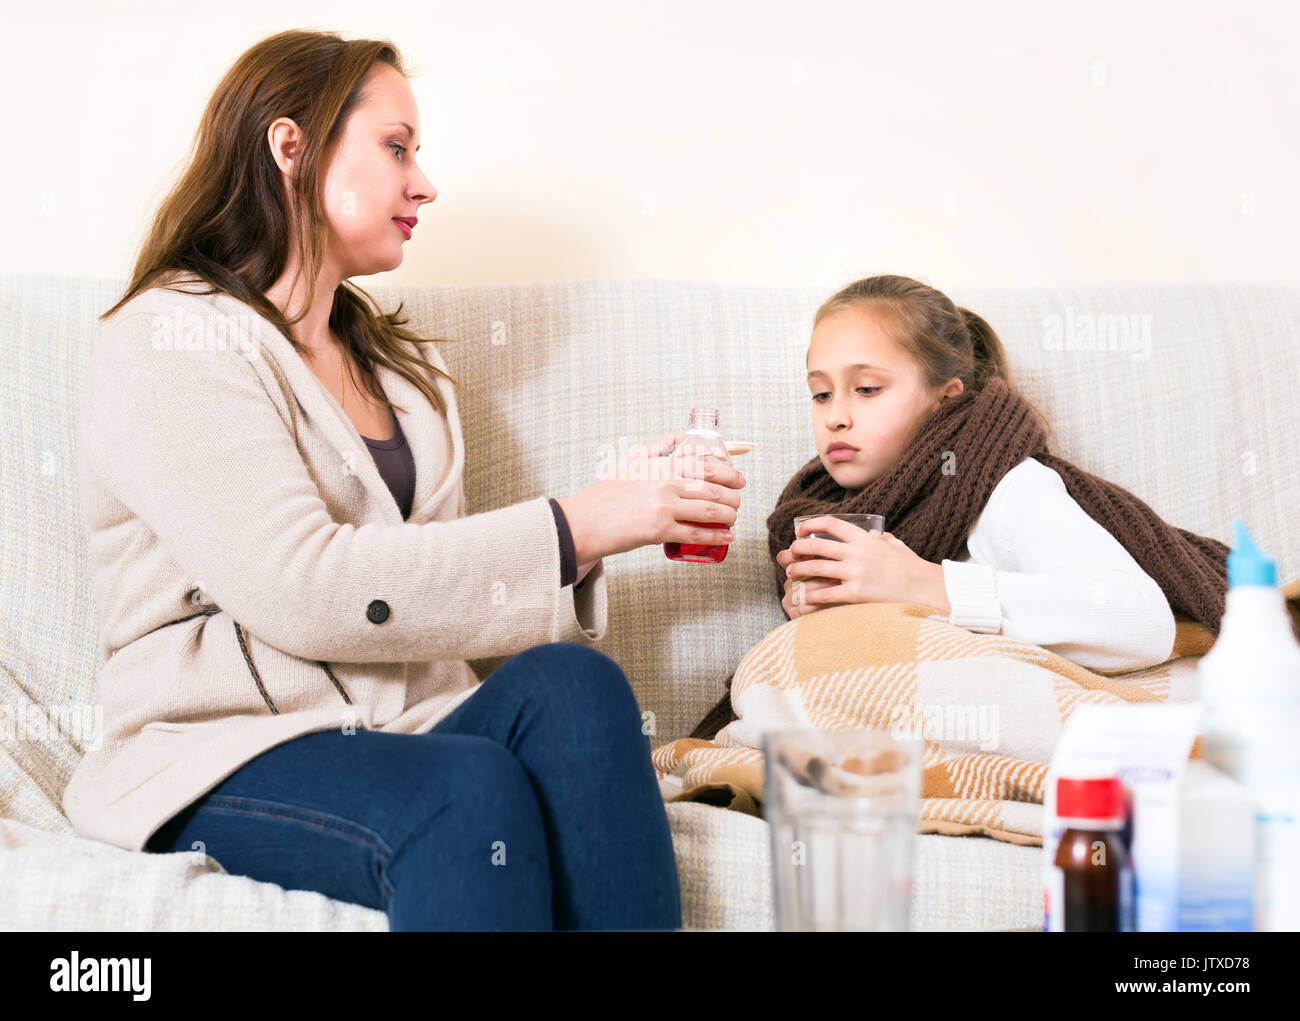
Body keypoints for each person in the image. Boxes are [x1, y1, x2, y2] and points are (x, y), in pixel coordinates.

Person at [63, 28, 746, 932]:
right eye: (396, 148)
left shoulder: (405, 378)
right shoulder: (171, 338)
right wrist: (578, 525)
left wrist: (608, 515)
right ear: (290, 146)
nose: (424, 182)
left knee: (576, 688)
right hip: (221, 749)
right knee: (467, 789)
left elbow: (422, 593)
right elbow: (303, 586)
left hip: (406, 734)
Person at [690, 273, 1235, 740]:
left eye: (868, 389)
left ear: (945, 396)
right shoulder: (820, 511)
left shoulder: (1007, 485)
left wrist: (925, 586)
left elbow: (1140, 620)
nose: (836, 416)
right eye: (821, 393)